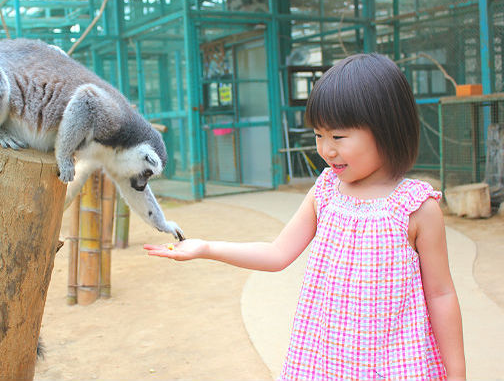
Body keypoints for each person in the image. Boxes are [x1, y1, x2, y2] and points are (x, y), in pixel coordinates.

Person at [144, 53, 466, 380]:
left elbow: (441, 294)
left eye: (338, 137)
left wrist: (457, 374)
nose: (326, 149)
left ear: (387, 129)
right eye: (318, 135)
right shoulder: (326, 192)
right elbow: (277, 253)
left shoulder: (415, 207)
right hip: (327, 361)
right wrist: (207, 248)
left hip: (395, 364)